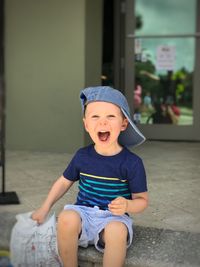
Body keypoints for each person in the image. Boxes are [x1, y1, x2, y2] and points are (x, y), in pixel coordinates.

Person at [31, 86, 148, 267]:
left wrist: (127, 204)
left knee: (117, 231)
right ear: (86, 124)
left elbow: (142, 200)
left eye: (110, 116)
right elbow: (63, 183)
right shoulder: (82, 156)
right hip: (83, 213)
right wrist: (44, 208)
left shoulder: (131, 163)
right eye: (95, 116)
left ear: (124, 123)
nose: (102, 123)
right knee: (66, 218)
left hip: (113, 218)